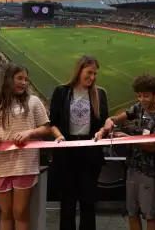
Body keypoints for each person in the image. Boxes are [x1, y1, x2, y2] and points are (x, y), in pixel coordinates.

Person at [0, 63, 51, 230]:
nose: (24, 83)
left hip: (25, 164)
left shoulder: (33, 101)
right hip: (1, 164)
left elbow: (46, 128)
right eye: (20, 78)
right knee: (5, 213)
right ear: (7, 79)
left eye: (26, 79)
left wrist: (29, 132)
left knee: (20, 212)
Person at [95, 74, 155, 230]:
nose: (142, 99)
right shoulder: (138, 108)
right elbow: (116, 118)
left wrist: (128, 138)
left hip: (150, 173)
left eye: (146, 96)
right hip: (131, 169)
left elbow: (154, 146)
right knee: (132, 214)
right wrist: (109, 124)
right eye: (139, 96)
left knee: (150, 216)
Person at [50, 55, 109, 230]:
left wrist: (102, 131)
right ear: (79, 71)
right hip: (66, 150)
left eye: (95, 74)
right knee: (67, 200)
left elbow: (103, 123)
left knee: (88, 200)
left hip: (90, 152)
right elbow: (52, 123)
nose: (92, 77)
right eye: (89, 73)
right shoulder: (61, 91)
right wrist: (59, 136)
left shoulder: (100, 93)